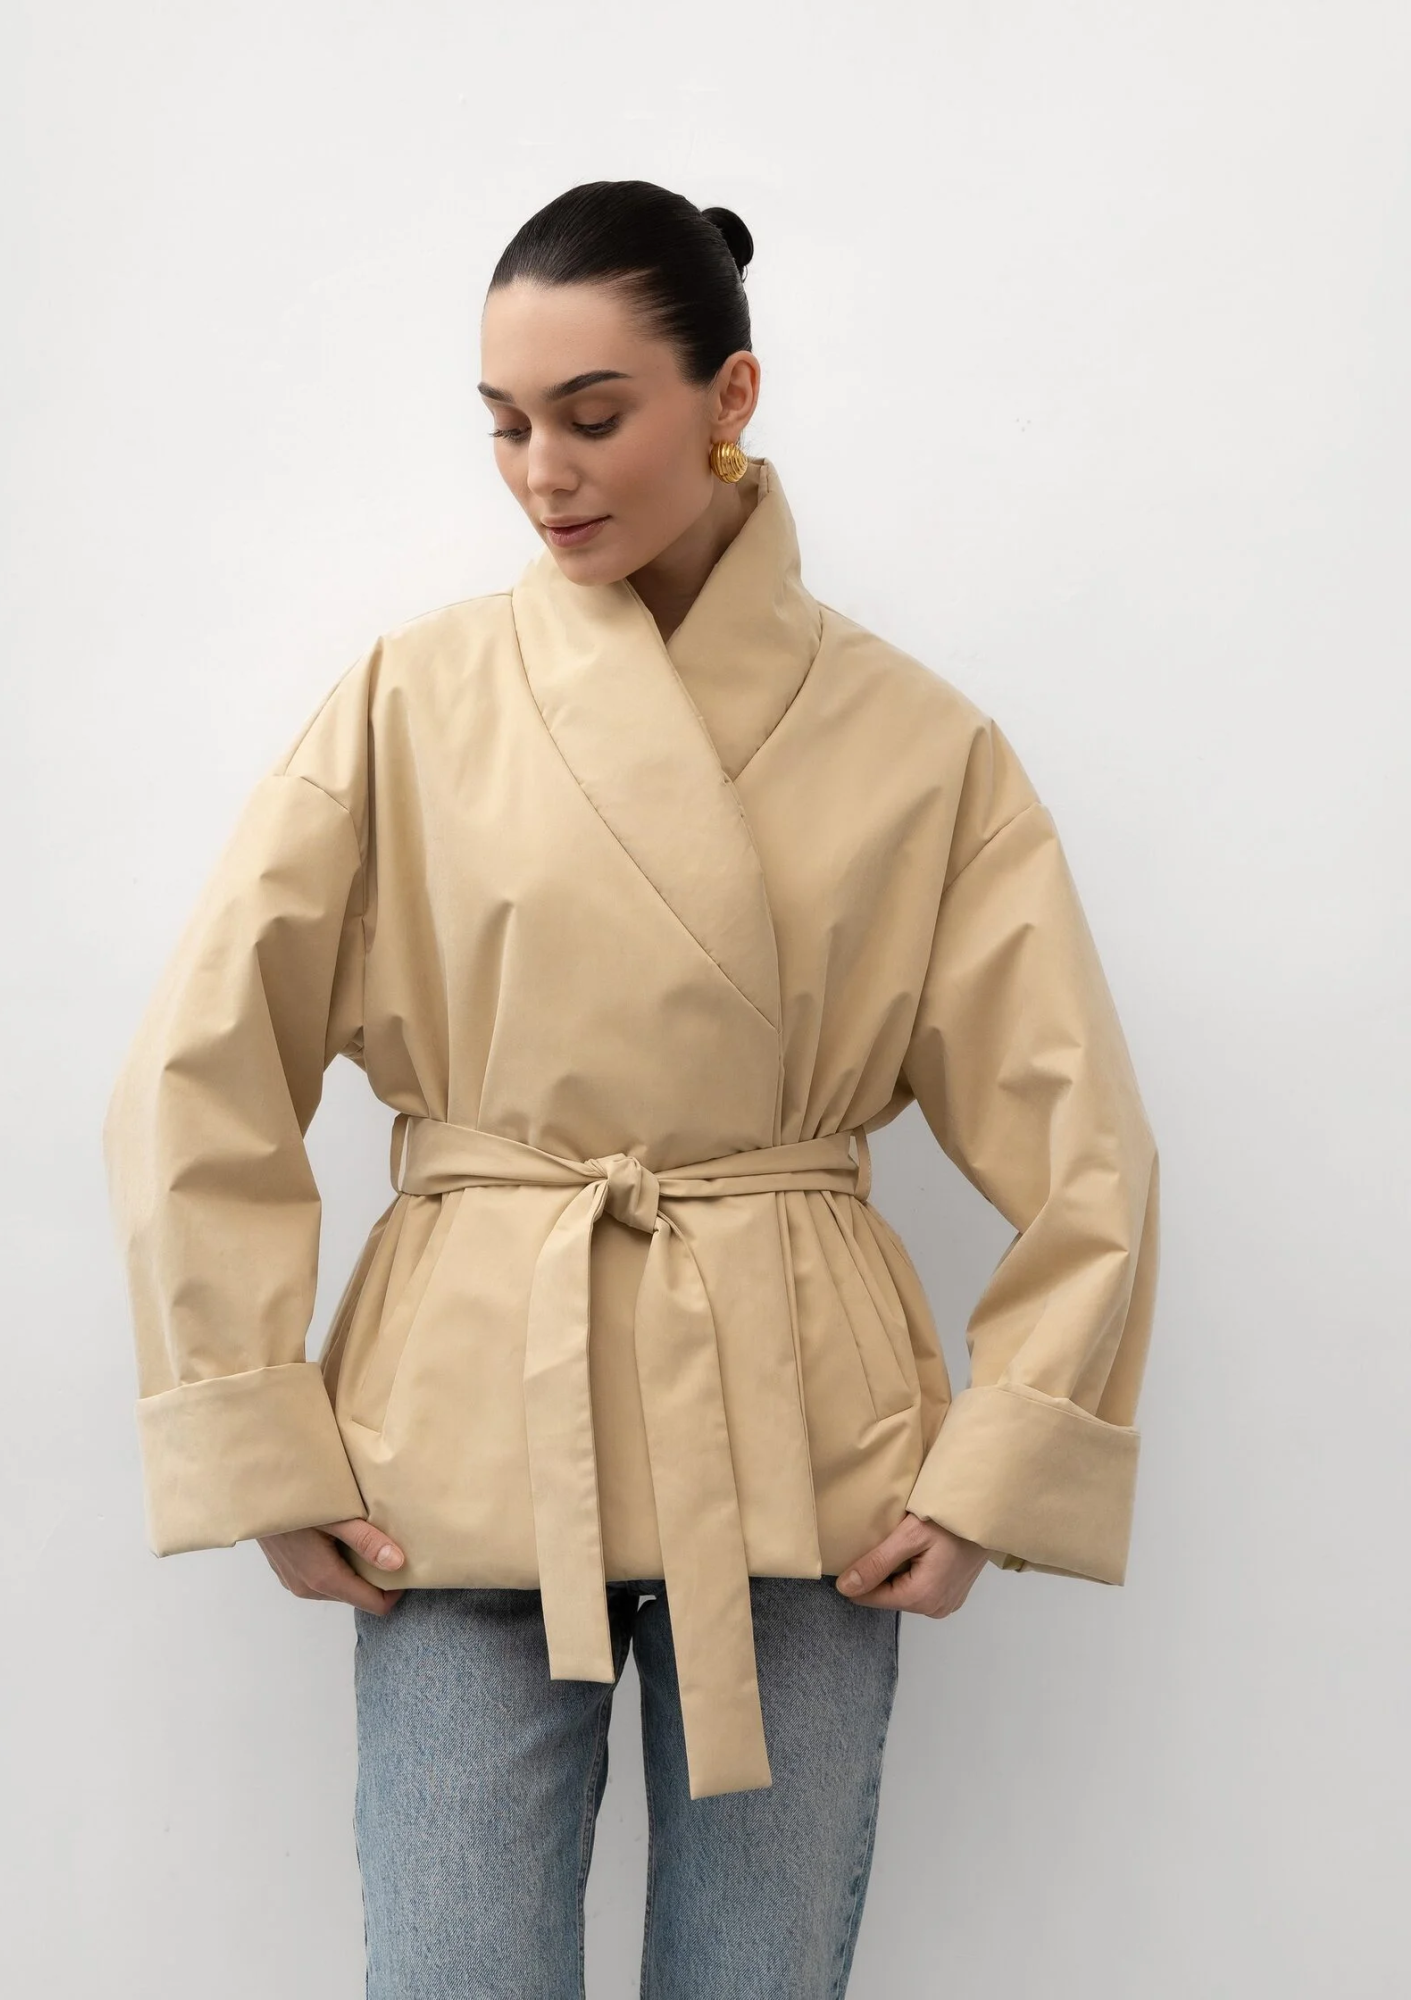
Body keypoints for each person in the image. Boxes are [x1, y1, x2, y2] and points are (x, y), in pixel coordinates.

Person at [102, 180, 1160, 1999]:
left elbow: (1084, 1135)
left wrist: (1012, 1455)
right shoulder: (409, 701)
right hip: (460, 1427)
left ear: (730, 396)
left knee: (760, 1977)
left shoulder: (922, 743)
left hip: (805, 1445)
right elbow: (199, 1069)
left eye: (594, 416)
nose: (544, 474)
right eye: (506, 424)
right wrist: (252, 1428)